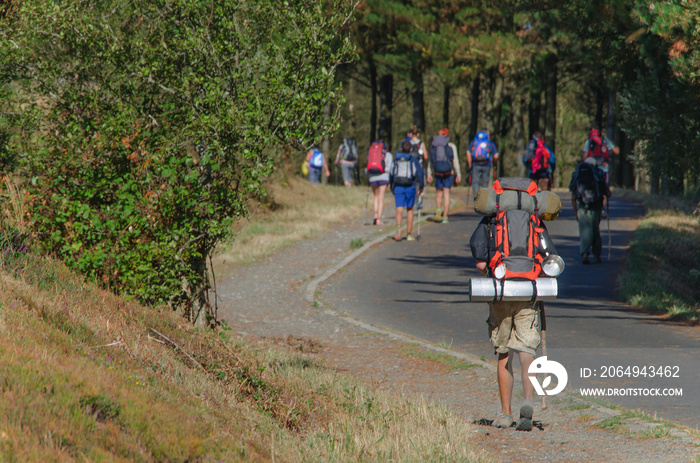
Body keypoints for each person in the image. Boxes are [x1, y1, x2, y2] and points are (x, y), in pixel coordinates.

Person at [469, 183, 557, 431]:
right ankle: (528, 401)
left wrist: (491, 270)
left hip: (500, 290)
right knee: (527, 350)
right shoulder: (534, 219)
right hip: (528, 289)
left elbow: (479, 261)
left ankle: (506, 414)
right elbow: (550, 259)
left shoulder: (493, 217)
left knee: (504, 352)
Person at [569, 158, 611, 264]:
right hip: (596, 208)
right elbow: (608, 193)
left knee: (584, 231)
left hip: (582, 207)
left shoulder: (578, 175)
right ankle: (597, 256)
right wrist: (603, 207)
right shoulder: (598, 174)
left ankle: (585, 254)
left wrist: (575, 213)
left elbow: (573, 197)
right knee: (595, 230)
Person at [391, 141, 424, 241]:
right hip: (410, 186)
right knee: (410, 210)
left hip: (398, 186)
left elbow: (391, 174)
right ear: (410, 150)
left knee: (399, 209)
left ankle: (398, 229)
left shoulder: (396, 159)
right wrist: (421, 187)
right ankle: (408, 234)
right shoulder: (413, 160)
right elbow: (419, 174)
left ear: (401, 149)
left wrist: (392, 186)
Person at [582, 124, 618, 217]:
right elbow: (616, 151)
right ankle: (602, 209)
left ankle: (588, 205)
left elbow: (584, 157)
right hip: (603, 168)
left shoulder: (589, 141)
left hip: (591, 169)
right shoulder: (605, 140)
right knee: (604, 188)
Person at [427, 128, 461, 223]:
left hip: (437, 172)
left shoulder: (434, 146)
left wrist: (429, 173)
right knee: (447, 194)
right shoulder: (451, 146)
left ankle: (438, 209)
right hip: (448, 172)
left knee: (438, 193)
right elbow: (455, 161)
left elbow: (431, 161)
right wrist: (458, 173)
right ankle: (445, 216)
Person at [366, 140, 392, 225]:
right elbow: (390, 167)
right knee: (381, 198)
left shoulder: (371, 153)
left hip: (372, 177)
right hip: (383, 177)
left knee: (375, 196)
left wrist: (368, 176)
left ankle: (375, 214)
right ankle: (378, 219)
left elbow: (367, 166)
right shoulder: (388, 155)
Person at [467, 130, 499, 199]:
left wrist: (470, 165)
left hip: (475, 164)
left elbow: (468, 152)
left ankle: (476, 198)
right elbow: (496, 156)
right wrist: (495, 163)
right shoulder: (490, 143)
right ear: (488, 135)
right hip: (486, 165)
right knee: (485, 183)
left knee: (475, 182)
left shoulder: (474, 142)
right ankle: (484, 200)